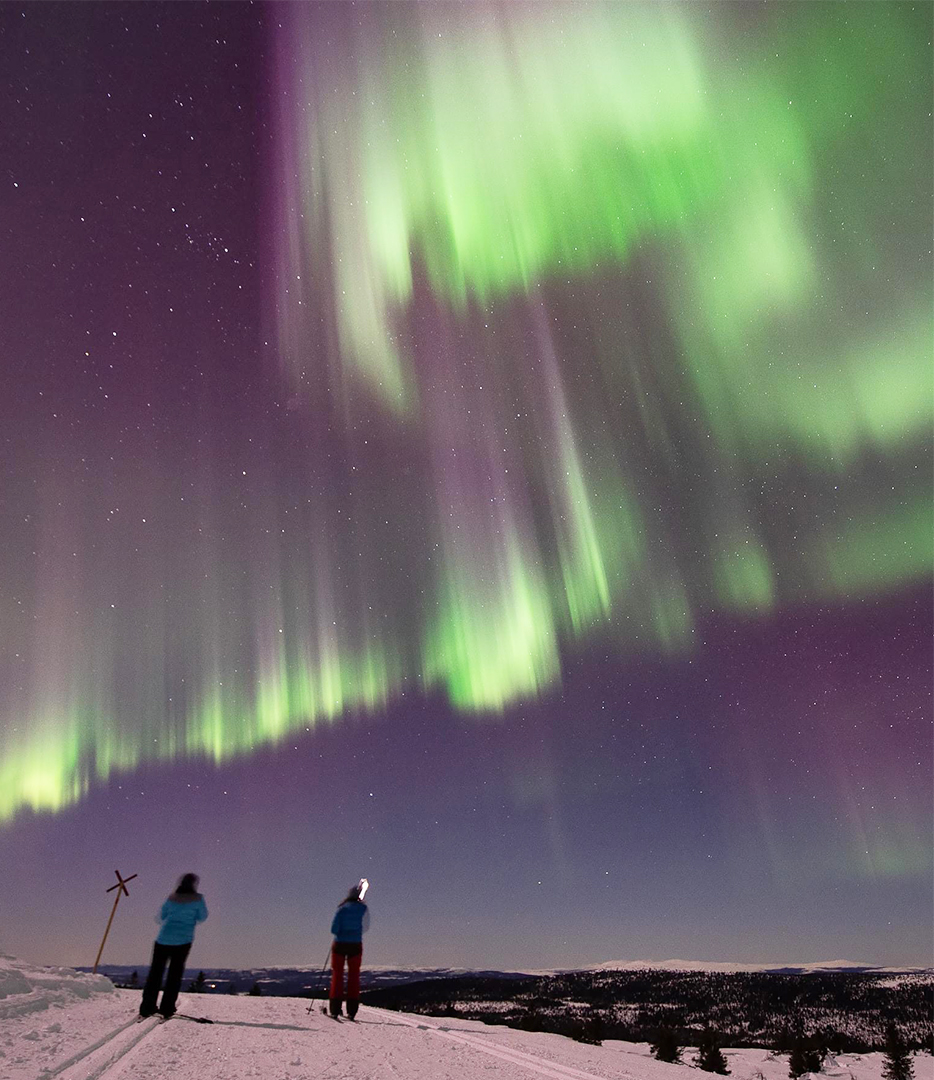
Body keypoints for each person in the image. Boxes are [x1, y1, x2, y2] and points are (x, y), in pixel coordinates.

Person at [139, 873, 208, 1019]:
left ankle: (147, 1007)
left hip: (163, 939)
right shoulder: (198, 899)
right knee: (174, 974)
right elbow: (203, 916)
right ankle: (167, 1007)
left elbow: (160, 917)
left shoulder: (172, 897)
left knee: (155, 974)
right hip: (183, 940)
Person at [328, 881, 369, 1019]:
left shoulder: (342, 909)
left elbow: (333, 929)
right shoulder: (363, 909)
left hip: (340, 944)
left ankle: (335, 1008)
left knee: (338, 975)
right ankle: (352, 1010)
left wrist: (341, 932)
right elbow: (366, 927)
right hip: (356, 945)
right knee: (354, 977)